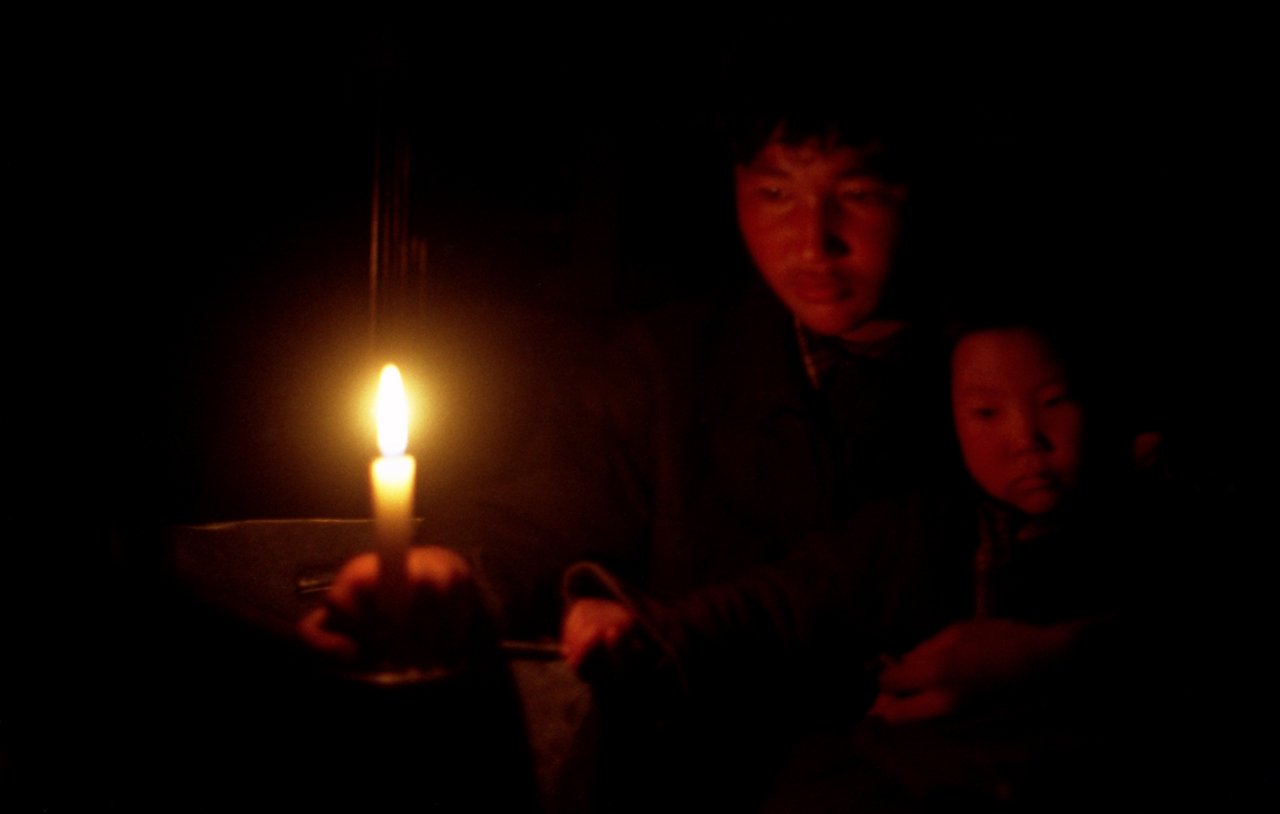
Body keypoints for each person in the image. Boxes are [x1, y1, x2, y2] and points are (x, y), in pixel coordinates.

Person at [300, 51, 952, 810]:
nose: (813, 240)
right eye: (775, 191)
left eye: (860, 194)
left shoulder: (994, 375)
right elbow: (542, 512)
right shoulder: (672, 363)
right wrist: (449, 574)